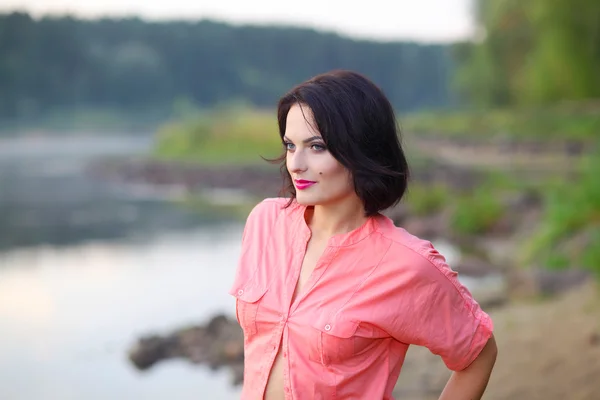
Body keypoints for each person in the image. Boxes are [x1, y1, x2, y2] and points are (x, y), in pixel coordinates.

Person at [229, 70, 497, 399]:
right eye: (290, 145)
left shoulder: (405, 265)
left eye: (316, 147)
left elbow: (478, 352)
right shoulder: (265, 223)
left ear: (360, 149)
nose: (296, 164)